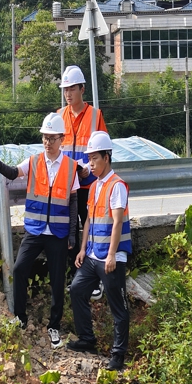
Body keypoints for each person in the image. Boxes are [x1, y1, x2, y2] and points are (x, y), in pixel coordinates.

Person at [0, 113, 79, 349]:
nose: (47, 142)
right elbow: (13, 173)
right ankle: (20, 319)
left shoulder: (70, 167)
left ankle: (54, 326)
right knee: (19, 268)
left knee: (57, 281)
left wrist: (72, 234)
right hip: (35, 230)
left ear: (61, 139)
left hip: (57, 232)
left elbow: (74, 201)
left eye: (52, 138)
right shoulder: (34, 161)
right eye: (45, 138)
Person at [67, 131, 131, 371]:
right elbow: (90, 222)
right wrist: (83, 250)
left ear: (107, 157)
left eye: (95, 159)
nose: (90, 164)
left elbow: (116, 222)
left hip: (111, 258)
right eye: (89, 159)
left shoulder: (117, 186)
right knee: (76, 290)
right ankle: (87, 339)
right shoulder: (94, 187)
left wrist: (113, 254)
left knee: (119, 307)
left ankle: (118, 355)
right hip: (93, 255)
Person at [58, 65, 108, 300]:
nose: (68, 94)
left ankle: (97, 280)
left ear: (82, 89)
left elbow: (105, 151)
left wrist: (89, 167)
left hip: (89, 185)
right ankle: (77, 278)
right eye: (65, 89)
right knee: (71, 236)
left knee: (93, 232)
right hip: (68, 187)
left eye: (72, 89)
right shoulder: (59, 116)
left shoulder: (95, 116)